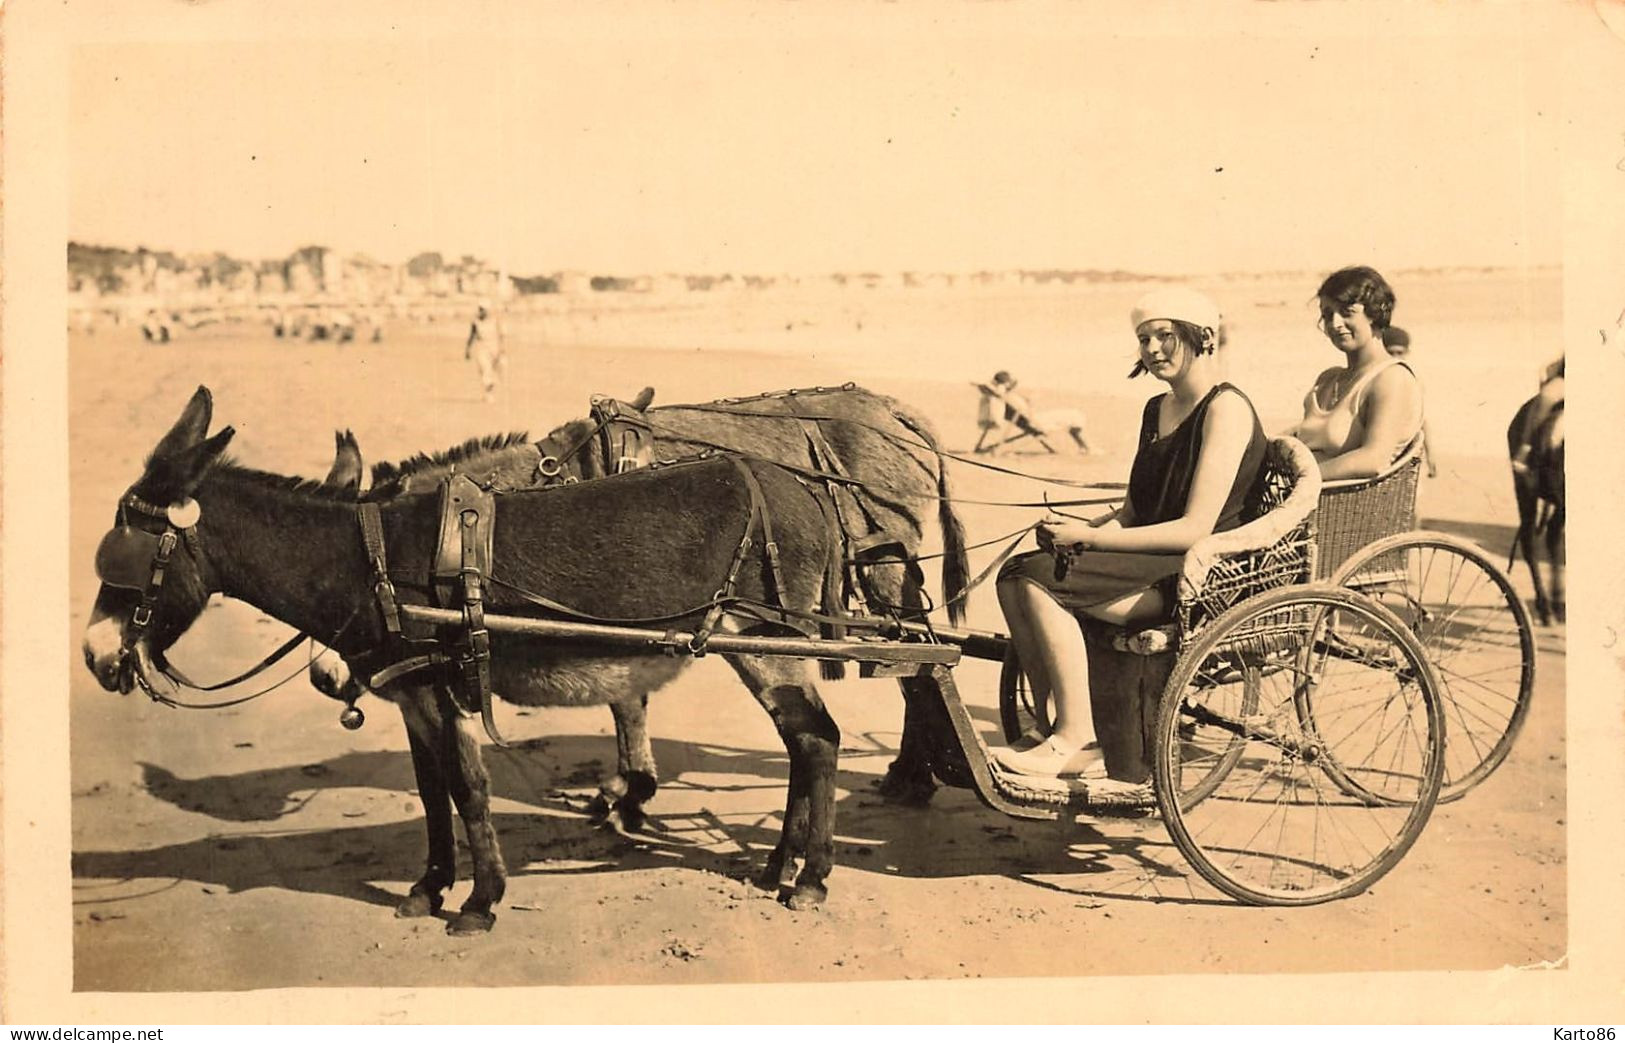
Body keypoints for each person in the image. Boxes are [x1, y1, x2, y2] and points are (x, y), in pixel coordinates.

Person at [992, 287, 1267, 779]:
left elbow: (1193, 529)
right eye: (1144, 339)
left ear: (1203, 338)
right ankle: (1049, 723)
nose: (1153, 349)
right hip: (1150, 555)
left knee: (1038, 582)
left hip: (1195, 570)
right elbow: (1133, 512)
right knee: (1015, 573)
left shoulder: (1226, 410)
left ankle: (1080, 739)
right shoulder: (1156, 409)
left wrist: (1094, 541)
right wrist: (1081, 531)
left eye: (1165, 335)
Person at [1290, 266, 1424, 480]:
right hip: (1308, 501)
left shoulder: (1391, 378)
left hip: (1342, 504)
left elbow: (1373, 460)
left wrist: (1300, 481)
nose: (1335, 324)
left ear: (1374, 313)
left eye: (1347, 313)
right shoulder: (1328, 380)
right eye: (1327, 315)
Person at [1378, 326, 1437, 478]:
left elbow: (1421, 420)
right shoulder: (1374, 378)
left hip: (1405, 454)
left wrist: (1431, 456)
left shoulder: (1412, 380)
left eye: (1400, 353)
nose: (1395, 357)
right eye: (1391, 353)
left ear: (1407, 353)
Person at [466, 298, 507, 403]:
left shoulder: (495, 320)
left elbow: (501, 335)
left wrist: (502, 349)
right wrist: (468, 349)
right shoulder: (476, 322)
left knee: (498, 371)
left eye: (483, 309)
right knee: (485, 370)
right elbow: (472, 335)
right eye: (480, 309)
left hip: (494, 347)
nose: (481, 311)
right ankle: (488, 394)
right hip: (482, 347)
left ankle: (490, 391)